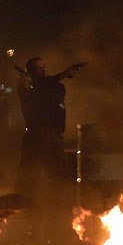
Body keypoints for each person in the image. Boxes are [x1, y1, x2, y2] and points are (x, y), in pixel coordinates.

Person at [15, 57, 82, 197]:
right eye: (39, 68)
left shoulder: (52, 87)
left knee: (59, 180)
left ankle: (57, 212)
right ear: (32, 72)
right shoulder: (27, 90)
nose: (44, 70)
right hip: (35, 140)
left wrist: (63, 74)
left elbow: (49, 88)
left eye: (43, 67)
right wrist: (61, 75)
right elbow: (41, 95)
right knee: (26, 181)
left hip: (53, 139)